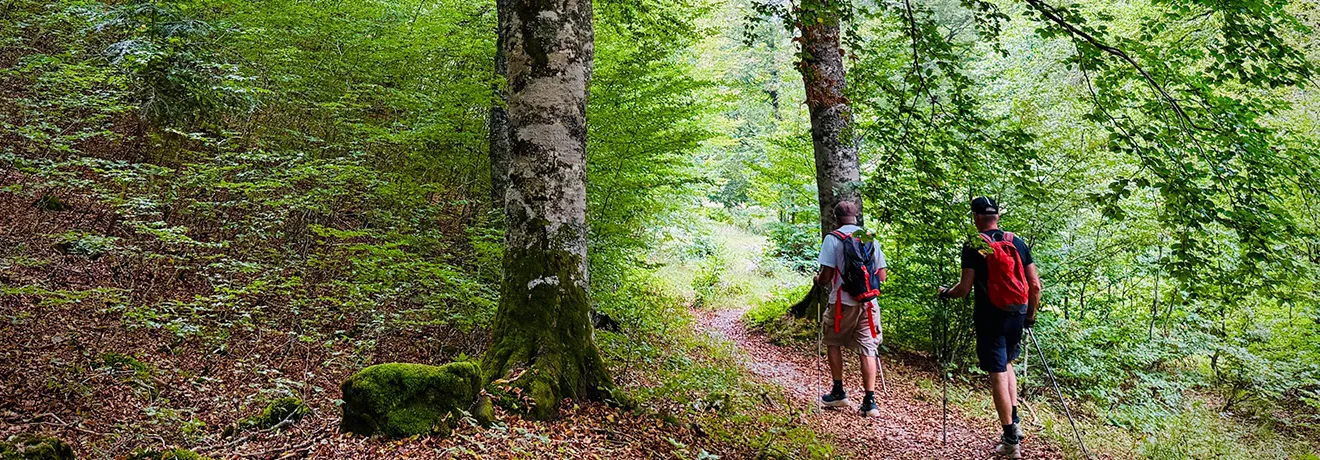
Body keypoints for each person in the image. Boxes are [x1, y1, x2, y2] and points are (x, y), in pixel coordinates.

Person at [938, 196, 1042, 459]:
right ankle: (1014, 421)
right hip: (1017, 313)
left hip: (990, 315)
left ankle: (1009, 440)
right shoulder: (1016, 241)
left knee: (997, 371)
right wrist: (1030, 316)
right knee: (1008, 363)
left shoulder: (974, 245)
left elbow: (963, 289)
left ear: (975, 217)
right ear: (996, 215)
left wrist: (945, 293)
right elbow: (1035, 286)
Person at [813, 201, 888, 417]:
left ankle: (838, 392)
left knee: (833, 342)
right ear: (856, 217)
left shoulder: (832, 239)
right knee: (868, 348)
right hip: (868, 303)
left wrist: (818, 280)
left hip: (841, 303)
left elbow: (826, 277)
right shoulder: (869, 238)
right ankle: (870, 401)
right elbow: (881, 276)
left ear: (836, 218)